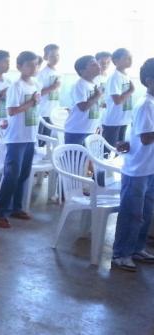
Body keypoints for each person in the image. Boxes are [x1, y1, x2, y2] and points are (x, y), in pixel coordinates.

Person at [110, 58, 154, 271]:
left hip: (149, 167)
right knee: (131, 213)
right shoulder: (145, 104)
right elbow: (146, 137)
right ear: (149, 81)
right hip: (137, 169)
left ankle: (137, 247)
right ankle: (121, 254)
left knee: (145, 213)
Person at [0, 52, 42, 228]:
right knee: (11, 175)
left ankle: (17, 207)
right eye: (29, 65)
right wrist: (31, 103)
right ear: (20, 66)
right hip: (16, 137)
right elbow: (12, 111)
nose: (33, 68)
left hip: (30, 136)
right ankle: (1, 211)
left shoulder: (36, 83)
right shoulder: (16, 86)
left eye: (36, 64)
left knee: (23, 174)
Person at [64, 55, 102, 145]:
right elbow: (83, 107)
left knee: (87, 159)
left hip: (91, 129)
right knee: (75, 158)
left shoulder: (95, 83)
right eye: (93, 65)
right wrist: (97, 96)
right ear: (82, 70)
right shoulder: (79, 85)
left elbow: (94, 105)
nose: (98, 66)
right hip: (77, 131)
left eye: (98, 64)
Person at [102, 48, 135, 147]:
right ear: (116, 61)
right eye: (127, 58)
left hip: (123, 119)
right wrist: (131, 91)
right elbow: (117, 101)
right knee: (108, 150)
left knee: (119, 149)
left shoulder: (126, 75)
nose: (130, 60)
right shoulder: (114, 77)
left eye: (131, 58)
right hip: (113, 121)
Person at [37, 44, 61, 145]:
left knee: (48, 139)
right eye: (52, 56)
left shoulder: (59, 72)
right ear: (45, 57)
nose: (55, 58)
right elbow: (38, 93)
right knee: (40, 140)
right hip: (42, 112)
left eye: (57, 55)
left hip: (53, 111)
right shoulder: (42, 73)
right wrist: (53, 87)